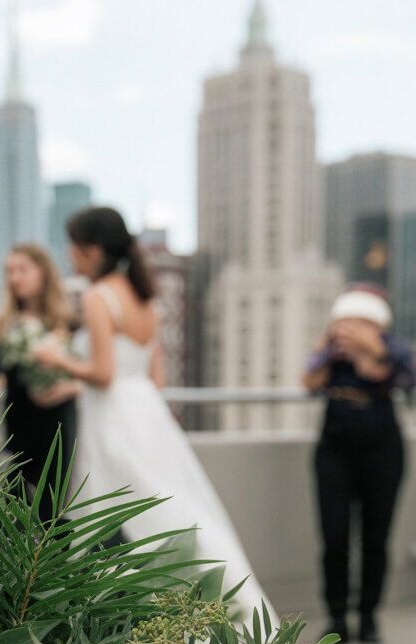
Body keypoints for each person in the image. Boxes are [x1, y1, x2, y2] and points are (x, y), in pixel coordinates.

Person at [32, 206, 273, 619]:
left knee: (114, 510)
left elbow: (104, 373)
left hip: (111, 418)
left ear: (92, 249)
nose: (69, 254)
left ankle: (129, 614)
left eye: (73, 245)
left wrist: (57, 359)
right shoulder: (145, 298)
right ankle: (216, 605)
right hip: (146, 413)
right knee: (170, 505)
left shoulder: (98, 295)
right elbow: (153, 377)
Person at [302, 284, 416, 644]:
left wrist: (374, 352)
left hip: (383, 445)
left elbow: (409, 381)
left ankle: (368, 615)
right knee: (334, 535)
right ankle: (336, 615)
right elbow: (309, 381)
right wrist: (328, 352)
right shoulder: (329, 351)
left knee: (375, 536)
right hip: (335, 445)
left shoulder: (394, 350)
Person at [0, 244, 80, 522]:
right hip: (16, 429)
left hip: (57, 427)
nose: (15, 278)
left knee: (52, 511)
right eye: (10, 271)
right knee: (13, 513)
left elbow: (88, 375)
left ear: (43, 272)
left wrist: (67, 388)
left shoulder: (68, 322)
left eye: (22, 270)